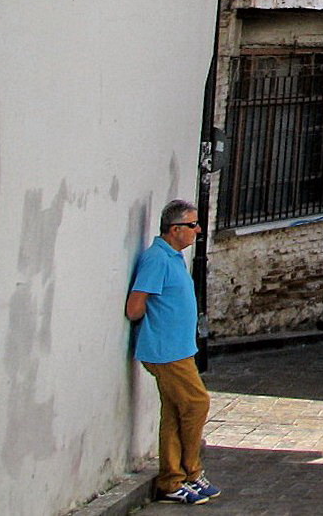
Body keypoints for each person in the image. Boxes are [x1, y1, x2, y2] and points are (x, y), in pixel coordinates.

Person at [126, 199, 220, 506]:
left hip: (179, 349)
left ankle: (172, 479)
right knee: (196, 403)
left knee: (174, 410)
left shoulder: (174, 257)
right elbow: (135, 306)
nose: (198, 230)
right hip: (166, 351)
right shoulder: (157, 259)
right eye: (193, 225)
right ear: (175, 228)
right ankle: (188, 472)